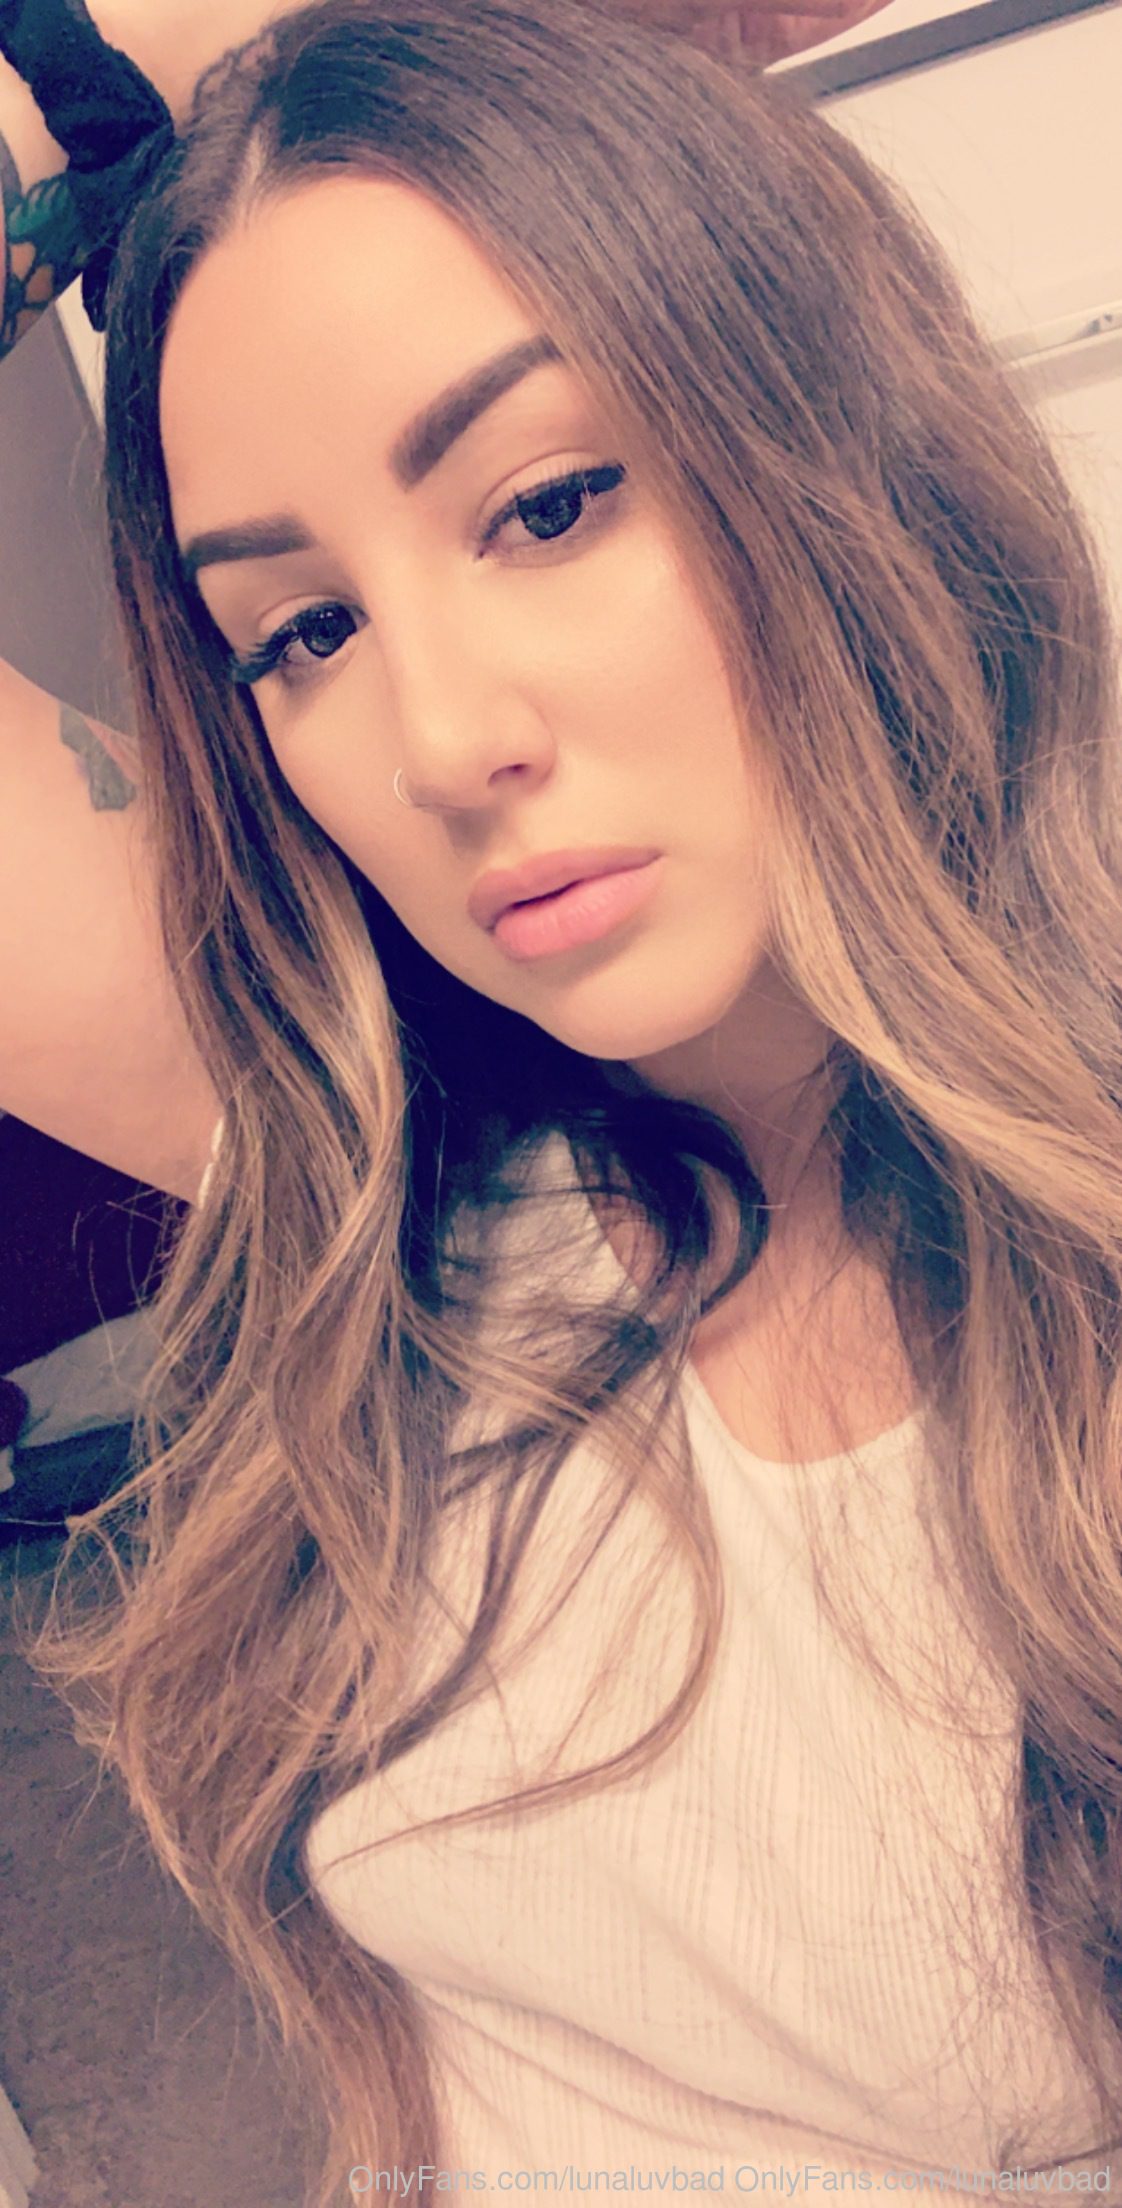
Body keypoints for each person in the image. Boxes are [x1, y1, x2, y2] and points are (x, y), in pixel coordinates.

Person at [5, 0, 1122, 2200]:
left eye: (546, 503)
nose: (440, 741)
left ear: (839, 439)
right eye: (301, 632)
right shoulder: (407, 1192)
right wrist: (72, 67)